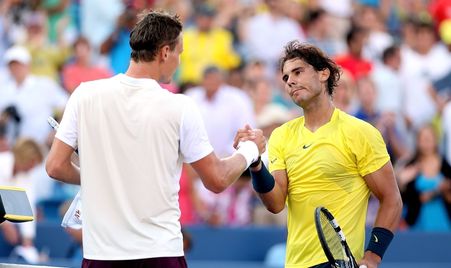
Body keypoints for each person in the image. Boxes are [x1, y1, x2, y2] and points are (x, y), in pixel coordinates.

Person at [45, 10, 265, 268]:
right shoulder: (180, 106)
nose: (180, 61)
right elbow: (216, 179)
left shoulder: (85, 95)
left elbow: (56, 166)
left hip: (100, 257)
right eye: (179, 53)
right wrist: (251, 149)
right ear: (164, 52)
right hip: (159, 255)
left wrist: (104, 177)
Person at [235, 41, 402, 268]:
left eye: (298, 72)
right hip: (295, 263)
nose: (290, 81)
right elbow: (275, 203)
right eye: (285, 78)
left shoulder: (361, 132)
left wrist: (372, 257)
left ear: (323, 73)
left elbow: (391, 199)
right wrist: (256, 165)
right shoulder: (282, 135)